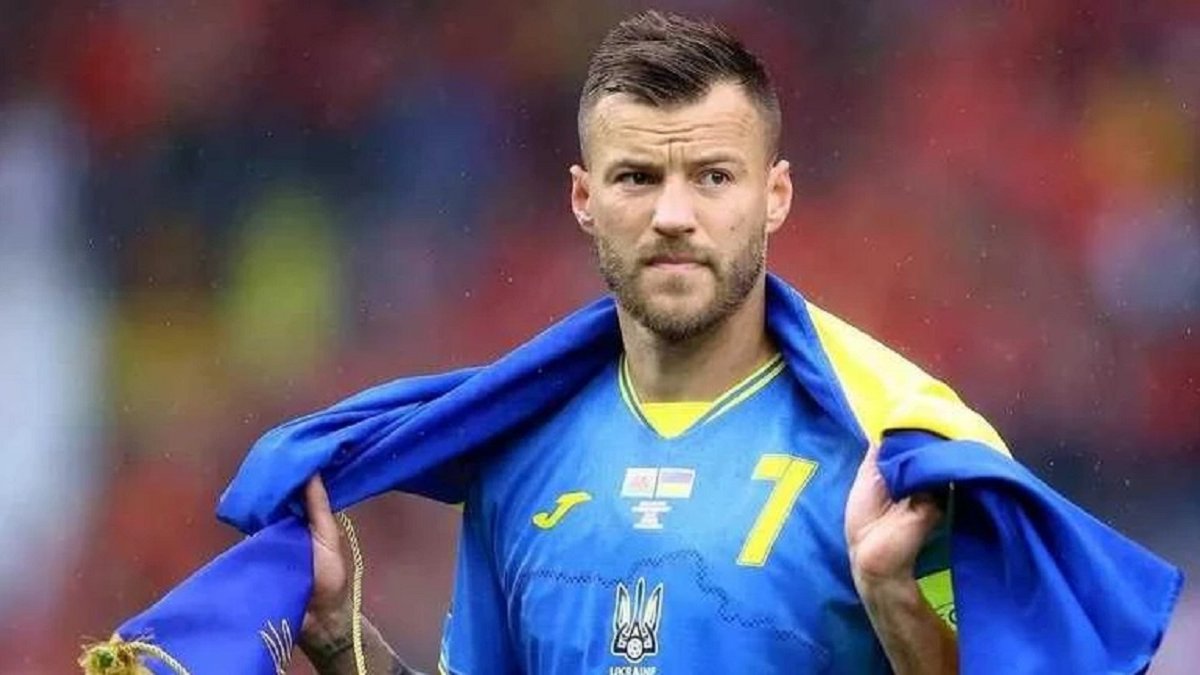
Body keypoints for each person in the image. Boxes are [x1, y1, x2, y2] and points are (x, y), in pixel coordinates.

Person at [299, 10, 958, 674]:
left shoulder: (885, 458)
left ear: (775, 195)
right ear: (584, 198)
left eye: (713, 177)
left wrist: (895, 600)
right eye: (637, 178)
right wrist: (337, 641)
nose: (673, 216)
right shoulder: (518, 458)